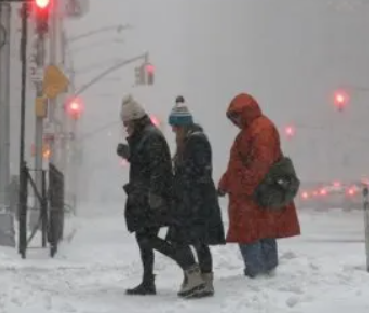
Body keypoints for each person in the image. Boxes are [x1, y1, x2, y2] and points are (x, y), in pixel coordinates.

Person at [116, 94, 206, 297]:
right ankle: (150, 281)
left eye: (127, 123)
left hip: (153, 199)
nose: (125, 127)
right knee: (144, 237)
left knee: (148, 238)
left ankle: (190, 268)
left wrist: (154, 195)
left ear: (135, 119)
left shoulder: (151, 136)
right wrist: (129, 154)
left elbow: (158, 168)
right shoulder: (145, 136)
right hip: (146, 197)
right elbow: (145, 162)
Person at [217, 93, 300, 278]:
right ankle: (265, 272)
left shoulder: (260, 130)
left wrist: (244, 188)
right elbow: (237, 166)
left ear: (244, 113)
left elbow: (260, 164)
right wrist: (225, 184)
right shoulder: (252, 130)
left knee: (252, 234)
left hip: (252, 196)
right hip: (253, 194)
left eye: (235, 117)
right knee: (261, 231)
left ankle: (258, 273)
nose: (234, 123)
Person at [166, 95, 226, 297]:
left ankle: (194, 276)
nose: (173, 130)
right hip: (199, 201)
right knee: (200, 241)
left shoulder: (195, 142)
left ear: (182, 125)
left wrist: (180, 187)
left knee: (178, 239)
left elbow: (195, 173)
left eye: (175, 126)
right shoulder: (195, 140)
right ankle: (206, 280)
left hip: (194, 202)